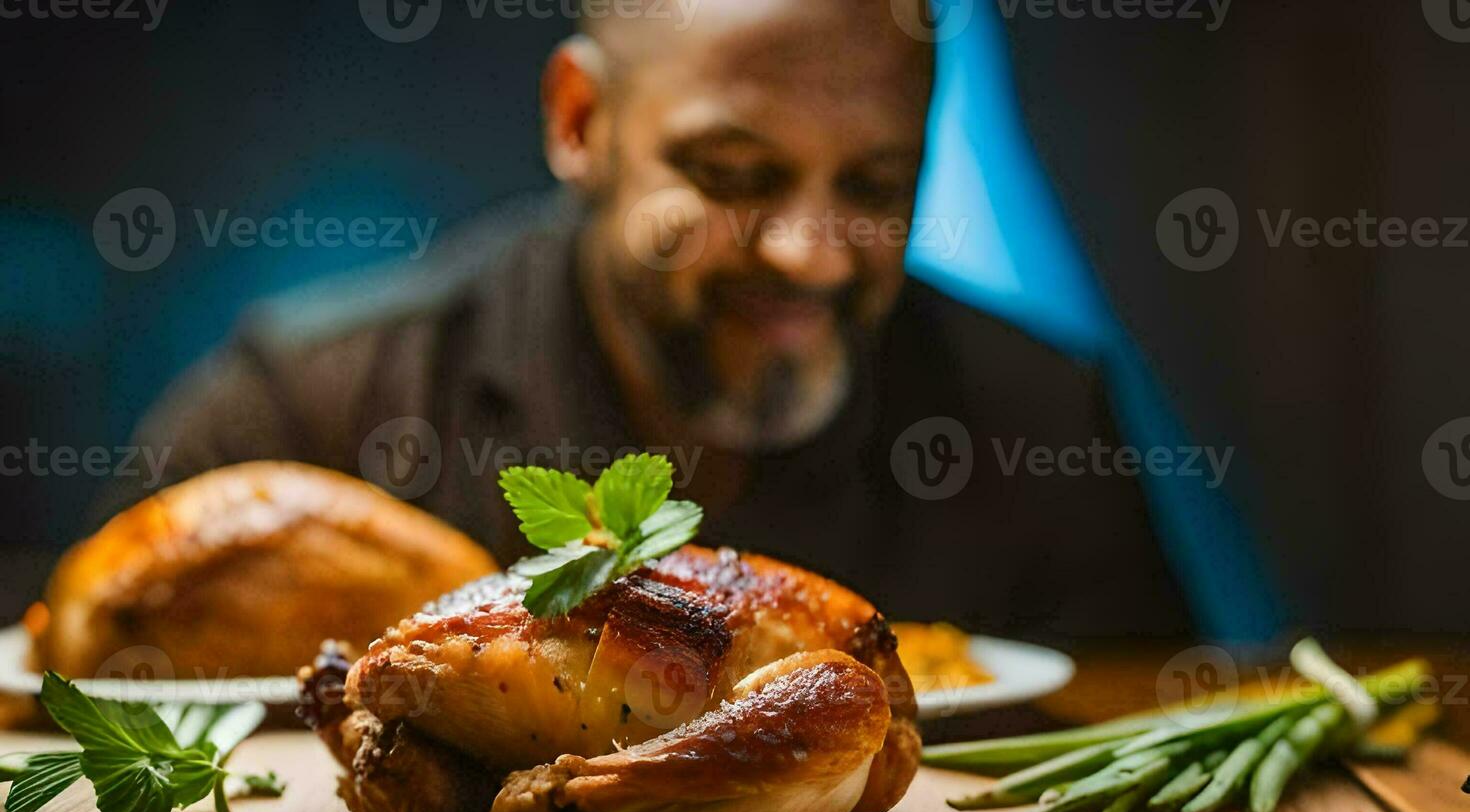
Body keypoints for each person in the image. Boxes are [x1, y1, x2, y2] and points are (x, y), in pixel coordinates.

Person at [102, 0, 1190, 643]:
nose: (810, 253)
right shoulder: (302, 408)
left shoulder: (1040, 413)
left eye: (874, 185)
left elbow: (1146, 738)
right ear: (581, 121)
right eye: (733, 174)